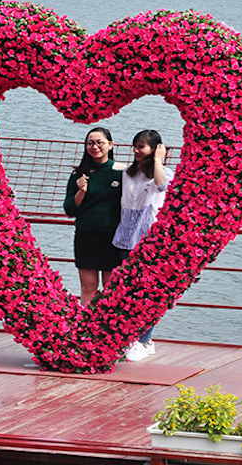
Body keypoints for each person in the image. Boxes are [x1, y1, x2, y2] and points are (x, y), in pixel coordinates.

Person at [112, 130, 172, 362]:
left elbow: (162, 185)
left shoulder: (163, 172)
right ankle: (131, 339)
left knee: (147, 293)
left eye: (142, 147)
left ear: (155, 149)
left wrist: (158, 159)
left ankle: (145, 340)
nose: (137, 150)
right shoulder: (129, 172)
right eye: (135, 146)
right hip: (125, 239)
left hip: (149, 241)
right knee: (127, 292)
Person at [63, 127, 125, 306]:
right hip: (86, 236)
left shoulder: (122, 172)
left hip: (113, 238)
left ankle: (109, 328)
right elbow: (69, 209)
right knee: (88, 286)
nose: (95, 147)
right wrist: (81, 191)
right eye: (90, 143)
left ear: (110, 145)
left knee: (111, 286)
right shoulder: (79, 174)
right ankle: (86, 328)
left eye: (99, 142)